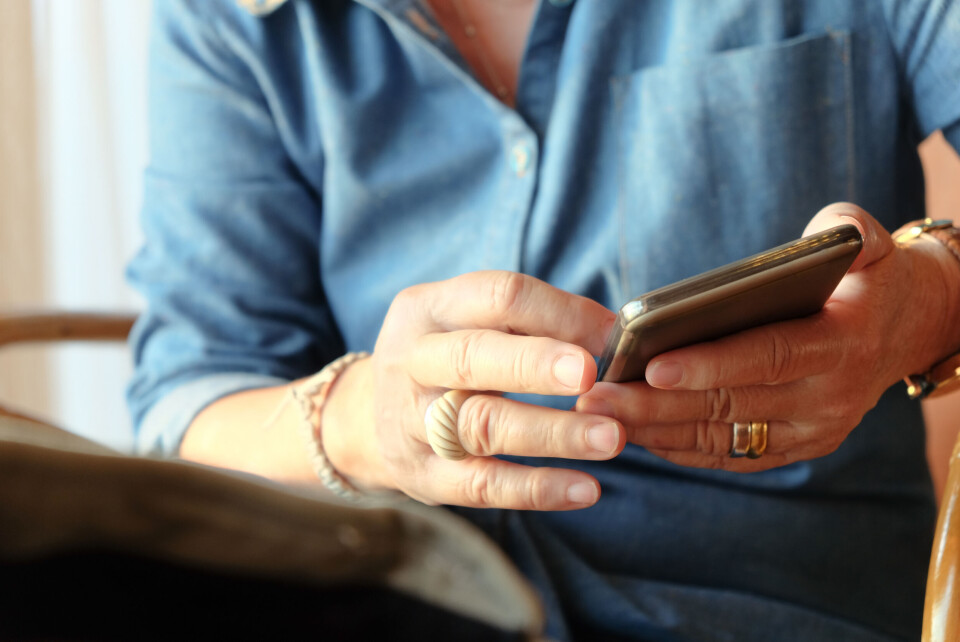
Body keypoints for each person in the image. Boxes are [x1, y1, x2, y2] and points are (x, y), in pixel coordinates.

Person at [127, 0, 960, 639]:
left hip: (767, 610)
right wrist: (363, 423)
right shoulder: (232, 19)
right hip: (396, 600)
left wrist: (927, 305)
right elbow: (186, 402)